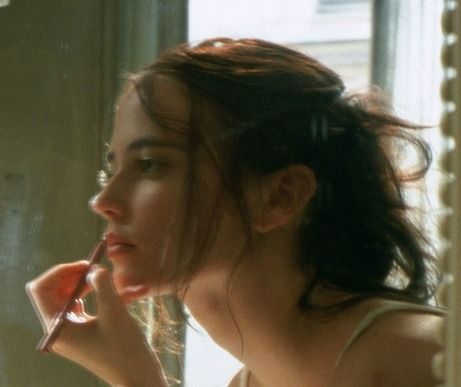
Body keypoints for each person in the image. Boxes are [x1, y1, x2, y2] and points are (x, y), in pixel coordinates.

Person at [27, 38, 445, 387]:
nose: (103, 201)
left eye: (150, 164)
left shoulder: (425, 358)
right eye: (111, 168)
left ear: (280, 197)